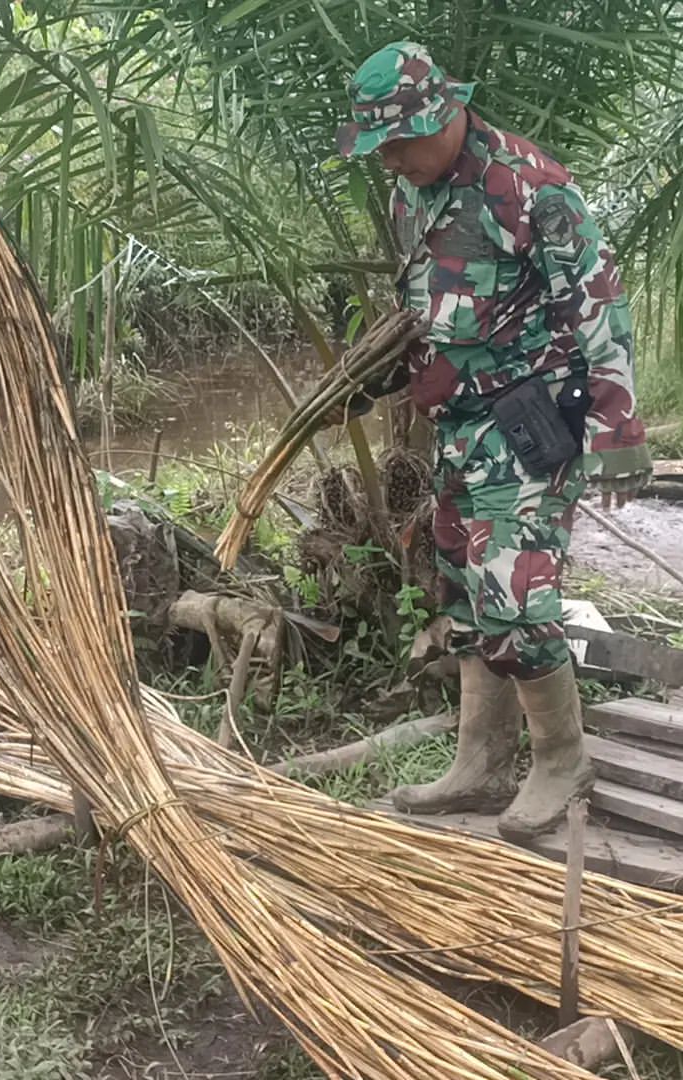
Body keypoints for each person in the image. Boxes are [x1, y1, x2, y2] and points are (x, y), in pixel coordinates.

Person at [335, 42, 651, 841]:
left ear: (441, 116)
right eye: (380, 148)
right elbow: (430, 302)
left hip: (532, 419)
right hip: (461, 428)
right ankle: (480, 759)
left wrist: (618, 428)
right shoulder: (419, 190)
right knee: (468, 593)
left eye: (398, 143)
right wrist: (400, 371)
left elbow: (598, 302)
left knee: (516, 594)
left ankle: (561, 758)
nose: (391, 162)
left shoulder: (530, 186)